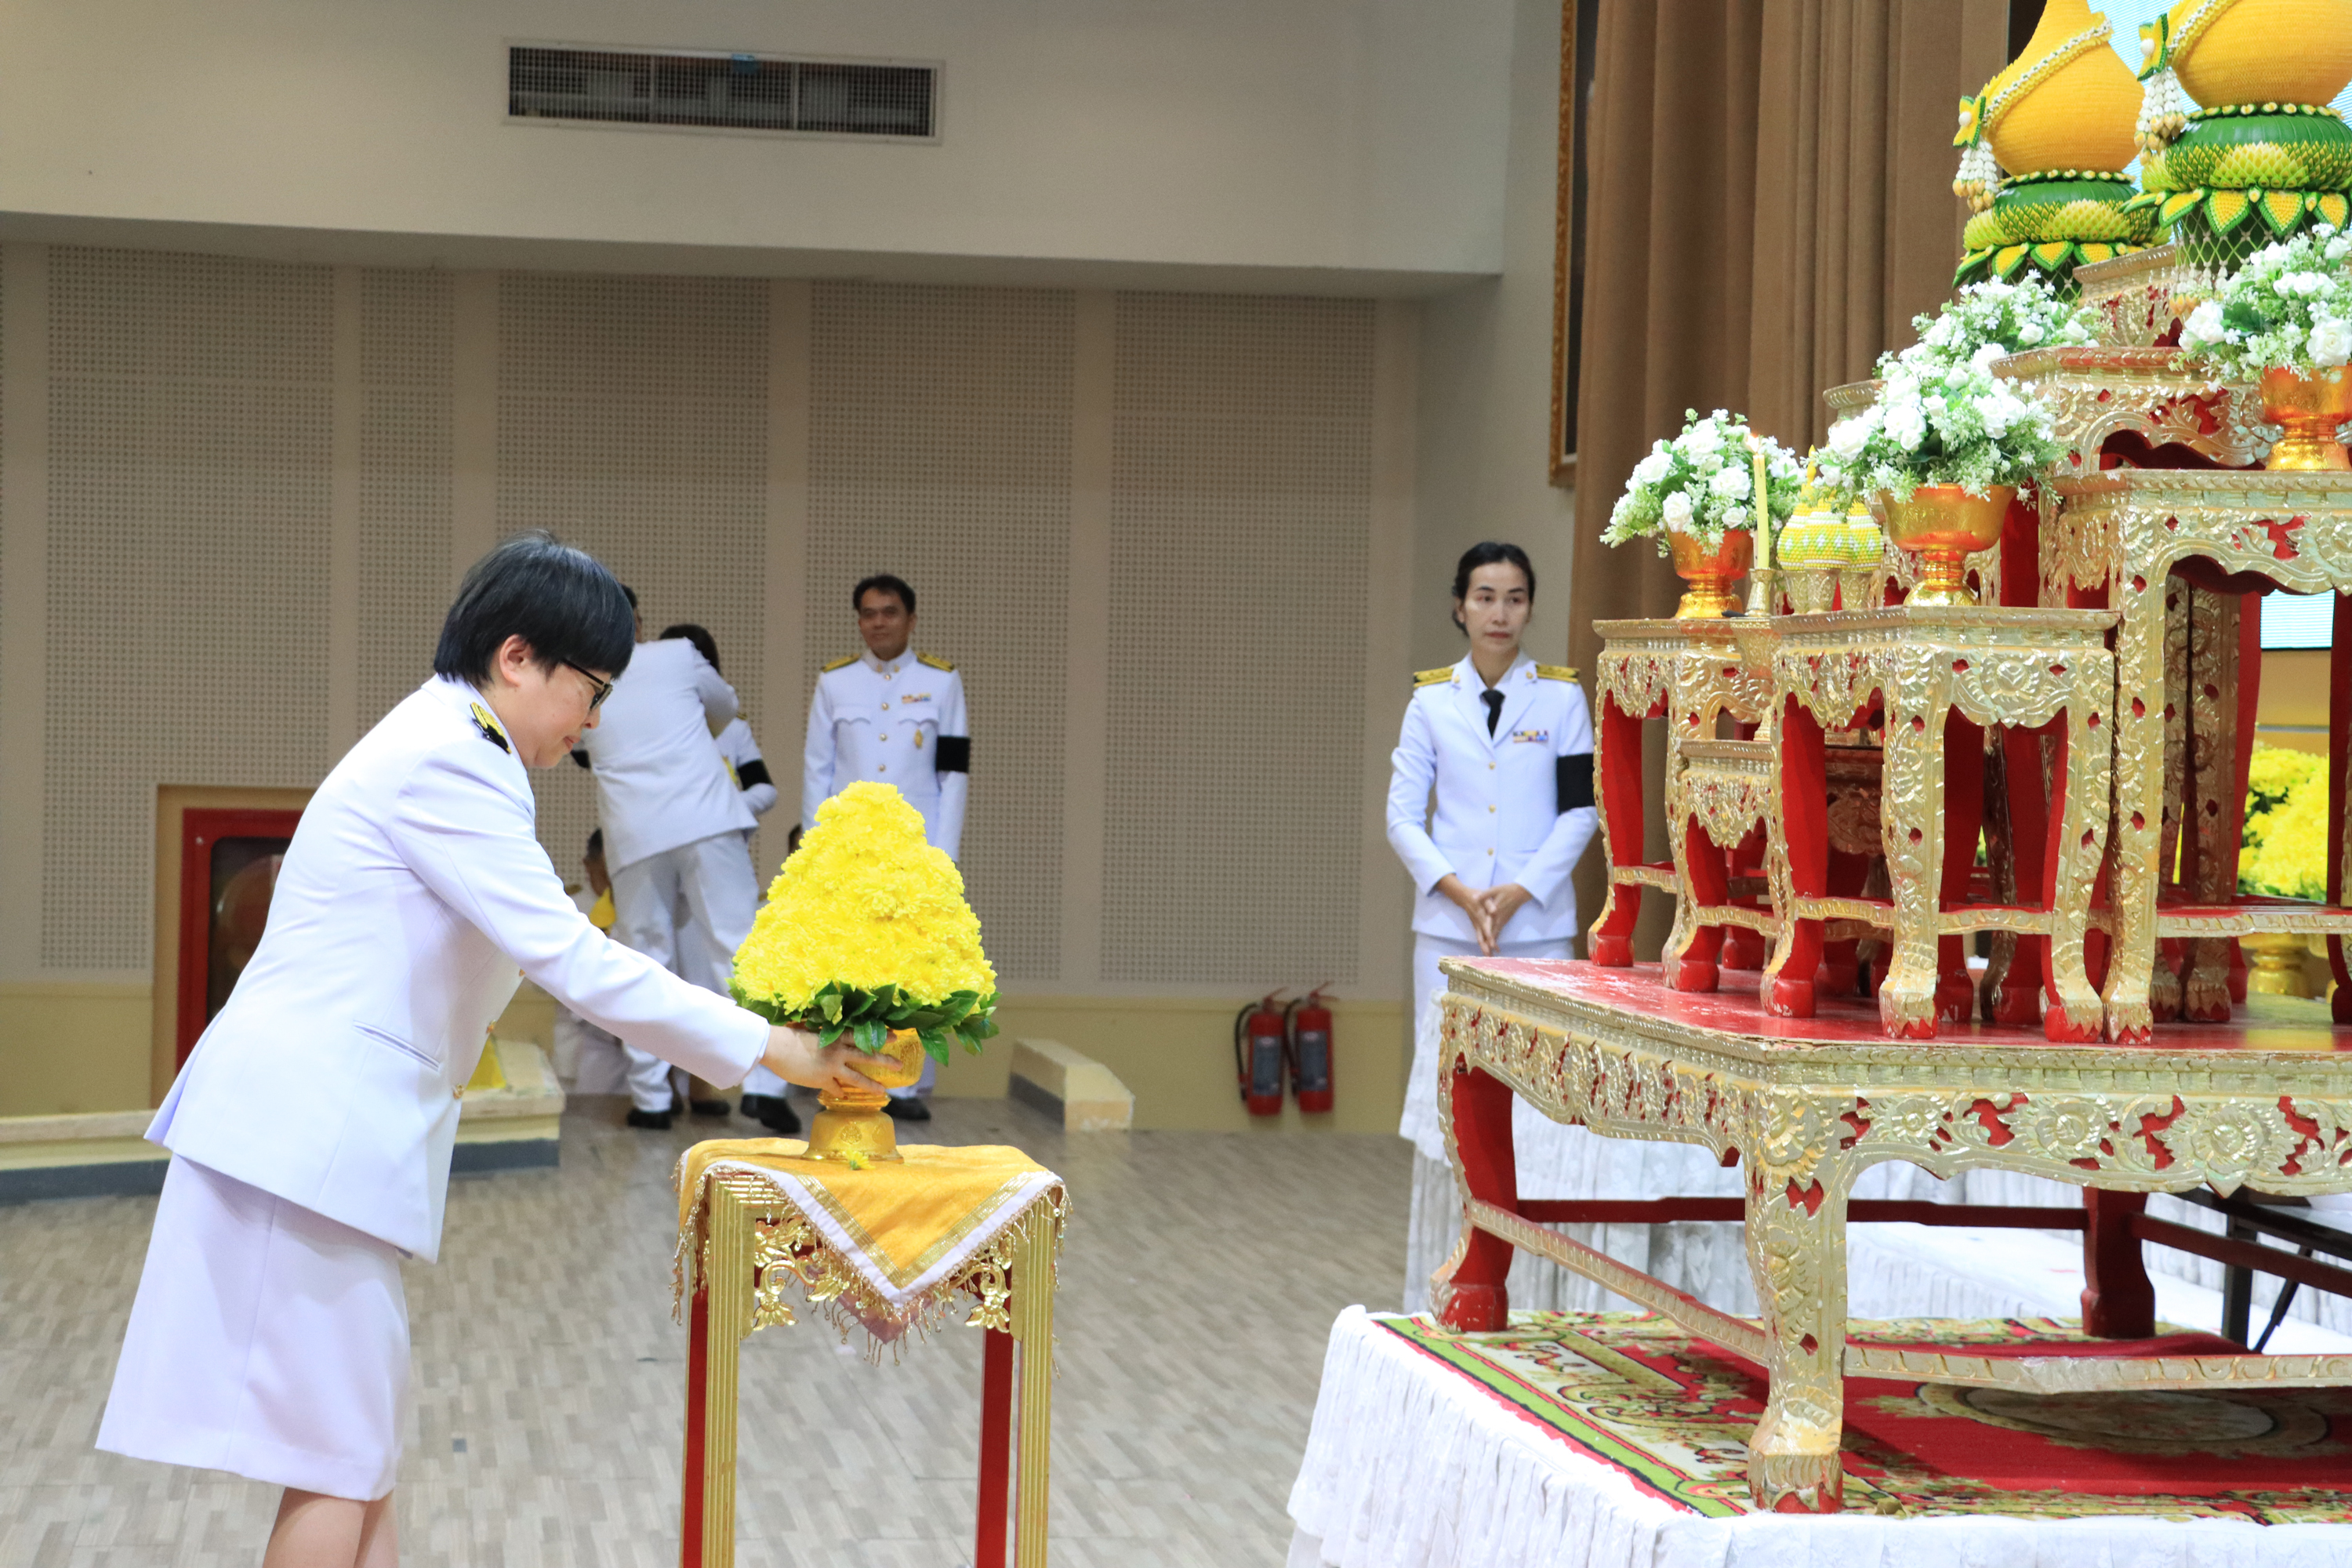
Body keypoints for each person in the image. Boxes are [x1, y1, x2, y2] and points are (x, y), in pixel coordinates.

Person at [96, 532, 873, 1568]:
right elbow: (574, 960)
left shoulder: (459, 749)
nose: (594, 719)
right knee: (338, 1459)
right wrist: (776, 1047)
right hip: (300, 1140)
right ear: (517, 659)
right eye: (589, 688)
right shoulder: (450, 760)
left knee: (356, 1457)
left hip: (317, 1145)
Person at [1386, 542, 1599, 1308]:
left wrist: (1516, 892)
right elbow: (1403, 817)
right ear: (1459, 606)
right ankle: (1451, 1270)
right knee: (1449, 1096)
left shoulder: (1563, 699)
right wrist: (1459, 888)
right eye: (1484, 596)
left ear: (1530, 607)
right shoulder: (1430, 701)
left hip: (1537, 929)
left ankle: (1535, 1278)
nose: (1499, 612)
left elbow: (1581, 810)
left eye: (1513, 597)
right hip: (1448, 932)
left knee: (1538, 1100)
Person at [570, 593, 758, 1129]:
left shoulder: (578, 682)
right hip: (705, 820)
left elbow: (578, 751)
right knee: (737, 952)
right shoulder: (678, 654)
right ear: (639, 623)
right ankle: (765, 1087)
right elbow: (722, 711)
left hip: (635, 834)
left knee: (642, 965)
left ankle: (652, 1099)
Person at [802, 572, 967, 1120]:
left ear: (910, 619)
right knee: (853, 962)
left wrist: (942, 856)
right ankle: (853, 1077)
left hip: (915, 849)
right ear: (859, 621)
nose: (878, 622)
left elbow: (954, 774)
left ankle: (910, 1085)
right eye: (868, 613)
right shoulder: (834, 683)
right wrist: (815, 849)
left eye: (889, 612)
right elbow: (817, 771)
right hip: (849, 848)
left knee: (914, 964)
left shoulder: (942, 683)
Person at [657, 622, 795, 1134]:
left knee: (737, 976)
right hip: (665, 872)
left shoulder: (731, 730)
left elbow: (765, 790)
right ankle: (674, 1091)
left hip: (718, 865)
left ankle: (763, 1090)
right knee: (672, 981)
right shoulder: (653, 728)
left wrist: (719, 814)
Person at [549, 829, 630, 1095]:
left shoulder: (649, 909)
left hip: (651, 1051)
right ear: (589, 864)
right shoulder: (568, 910)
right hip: (583, 1047)